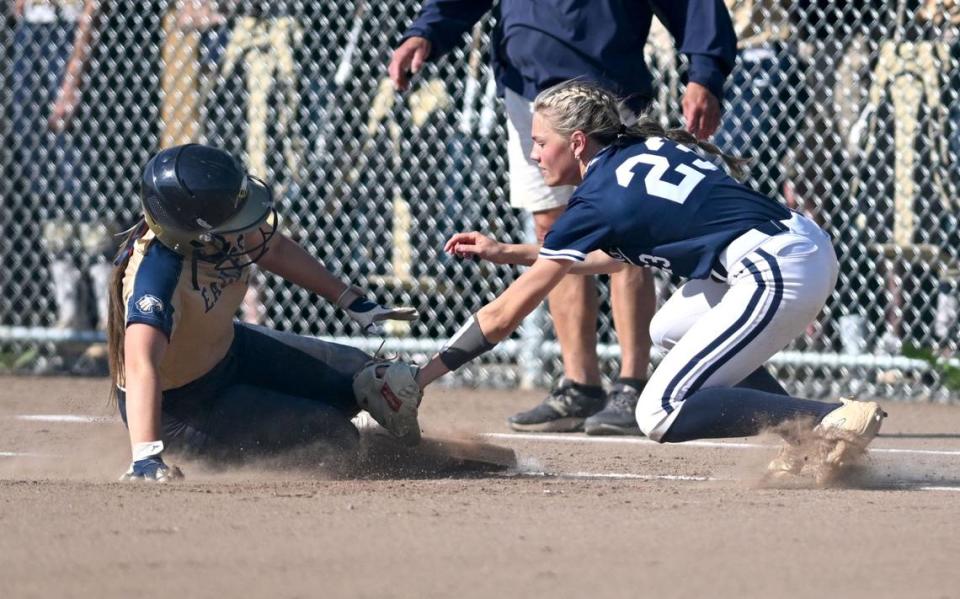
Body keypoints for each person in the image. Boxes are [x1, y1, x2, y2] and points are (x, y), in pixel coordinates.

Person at [410, 80, 886, 482]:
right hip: (788, 247)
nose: (533, 153)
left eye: (540, 142)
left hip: (777, 267)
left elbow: (503, 315)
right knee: (668, 329)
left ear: (577, 142)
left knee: (658, 413)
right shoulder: (634, 149)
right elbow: (614, 258)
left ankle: (828, 419)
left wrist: (419, 377)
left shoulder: (595, 199)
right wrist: (508, 252)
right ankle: (807, 440)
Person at [388, 0, 737, 436]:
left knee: (629, 230)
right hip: (527, 88)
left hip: (606, 90)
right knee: (554, 231)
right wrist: (427, 31)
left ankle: (631, 383)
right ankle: (580, 384)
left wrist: (704, 71)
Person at [108, 143, 421, 481]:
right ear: (197, 235)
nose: (247, 225)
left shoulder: (211, 233)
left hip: (230, 351)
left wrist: (349, 299)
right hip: (184, 408)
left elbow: (274, 248)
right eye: (234, 218)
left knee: (370, 379)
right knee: (333, 438)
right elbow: (140, 363)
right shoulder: (156, 276)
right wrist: (145, 456)